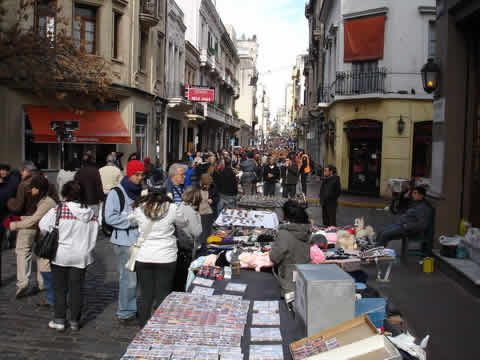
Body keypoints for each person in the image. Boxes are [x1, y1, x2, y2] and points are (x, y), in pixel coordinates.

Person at [39, 180, 99, 331]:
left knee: (59, 288)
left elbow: (43, 225)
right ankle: (74, 321)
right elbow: (94, 235)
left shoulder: (59, 210)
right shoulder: (91, 214)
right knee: (77, 289)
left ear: (65, 194)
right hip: (81, 255)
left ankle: (59, 320)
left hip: (61, 254)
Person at [128, 186, 189, 327]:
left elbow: (129, 220)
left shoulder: (139, 208)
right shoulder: (172, 208)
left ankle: (143, 326)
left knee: (145, 294)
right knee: (163, 293)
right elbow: (184, 222)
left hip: (144, 255)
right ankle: (160, 326)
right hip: (166, 256)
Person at [5, 175, 57, 303]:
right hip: (41, 231)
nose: (30, 190)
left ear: (38, 188)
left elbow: (34, 219)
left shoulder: (47, 202)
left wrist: (14, 225)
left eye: (32, 188)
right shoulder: (44, 199)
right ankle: (42, 283)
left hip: (43, 232)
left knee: (25, 252)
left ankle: (26, 283)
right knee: (41, 256)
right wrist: (21, 219)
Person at [104, 160, 145, 325]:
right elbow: (110, 217)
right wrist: (133, 219)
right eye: (137, 175)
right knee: (128, 278)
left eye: (142, 175)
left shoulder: (142, 191)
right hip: (124, 240)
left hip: (140, 240)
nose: (140, 178)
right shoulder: (117, 193)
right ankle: (125, 311)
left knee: (136, 277)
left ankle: (130, 307)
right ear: (129, 174)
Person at [269, 200, 312, 297]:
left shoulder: (284, 233)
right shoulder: (306, 230)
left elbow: (275, 257)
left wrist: (272, 250)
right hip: (305, 275)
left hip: (288, 278)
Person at [174, 186, 203, 291]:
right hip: (187, 247)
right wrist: (198, 217)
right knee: (184, 275)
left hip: (180, 245)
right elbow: (197, 231)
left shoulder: (181, 205)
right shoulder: (190, 211)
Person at [199, 174, 218, 245]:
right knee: (202, 230)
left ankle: (206, 244)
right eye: (206, 185)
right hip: (200, 213)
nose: (208, 186)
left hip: (210, 211)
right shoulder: (197, 188)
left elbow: (216, 197)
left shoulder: (213, 186)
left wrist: (212, 200)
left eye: (209, 184)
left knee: (208, 229)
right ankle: (202, 244)